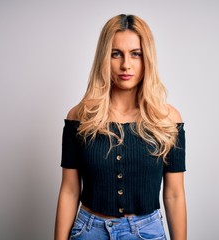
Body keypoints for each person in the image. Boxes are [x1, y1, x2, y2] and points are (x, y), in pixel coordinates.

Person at [54, 14, 186, 240]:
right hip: (88, 232)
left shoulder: (167, 120)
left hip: (146, 233)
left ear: (148, 60)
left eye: (136, 54)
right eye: (116, 54)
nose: (126, 64)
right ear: (104, 58)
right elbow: (69, 190)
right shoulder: (80, 117)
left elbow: (174, 194)